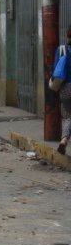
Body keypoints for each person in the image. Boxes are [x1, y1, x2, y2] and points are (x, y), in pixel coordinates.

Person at [55, 25, 71, 155]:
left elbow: (55, 69)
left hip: (65, 88)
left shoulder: (61, 50)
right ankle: (64, 139)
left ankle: (64, 139)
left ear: (67, 35)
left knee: (68, 117)